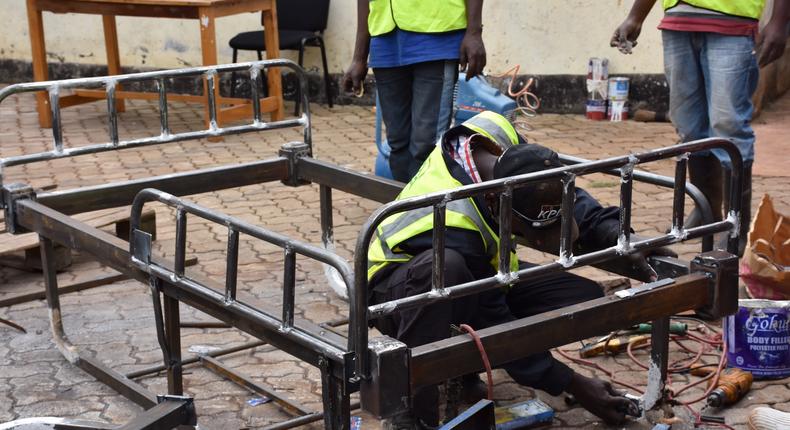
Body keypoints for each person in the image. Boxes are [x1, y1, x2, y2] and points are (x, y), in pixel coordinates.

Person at [367, 111, 670, 428]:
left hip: (480, 275)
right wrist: (574, 384)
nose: (539, 241)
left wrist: (616, 232)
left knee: (583, 296)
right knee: (449, 274)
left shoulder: (497, 139)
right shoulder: (453, 222)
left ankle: (460, 363)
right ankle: (412, 410)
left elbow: (554, 187)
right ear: (496, 203)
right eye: (531, 232)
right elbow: (496, 325)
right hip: (396, 293)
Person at [611, 0, 790, 256]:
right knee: (687, 125)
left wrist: (780, 22)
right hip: (677, 21)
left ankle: (735, 226)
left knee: (728, 124)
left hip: (732, 20)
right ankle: (706, 210)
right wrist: (635, 16)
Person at [342, 0, 486, 183]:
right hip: (385, 41)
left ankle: (426, 208)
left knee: (426, 144)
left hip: (437, 37)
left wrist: (474, 32)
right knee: (397, 144)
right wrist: (359, 57)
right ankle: (407, 207)